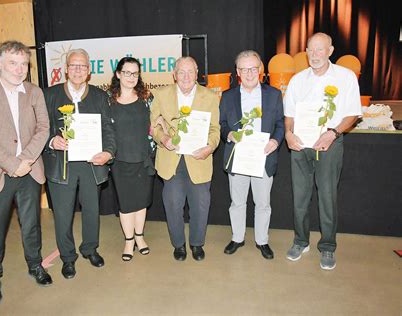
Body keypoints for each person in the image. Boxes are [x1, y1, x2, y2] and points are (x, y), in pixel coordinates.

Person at [0, 40, 52, 306]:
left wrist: (25, 160)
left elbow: (43, 128)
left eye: (24, 64)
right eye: (13, 63)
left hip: (30, 171)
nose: (19, 69)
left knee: (32, 225)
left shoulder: (34, 92)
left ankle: (35, 265)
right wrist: (11, 163)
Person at [284, 32, 361, 270]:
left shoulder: (346, 77)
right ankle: (300, 241)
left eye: (320, 49)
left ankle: (327, 247)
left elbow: (352, 113)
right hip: (300, 145)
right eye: (310, 49)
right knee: (300, 198)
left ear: (330, 51)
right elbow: (290, 115)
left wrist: (334, 133)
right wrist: (288, 133)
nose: (314, 54)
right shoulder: (298, 79)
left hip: (330, 144)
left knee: (327, 198)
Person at [42, 49, 116, 279]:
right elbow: (39, 128)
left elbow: (108, 129)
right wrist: (52, 140)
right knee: (63, 214)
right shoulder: (49, 95)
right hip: (61, 164)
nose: (77, 70)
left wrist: (109, 152)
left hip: (91, 163)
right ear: (65, 69)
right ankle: (67, 257)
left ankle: (90, 249)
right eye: (73, 66)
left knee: (92, 210)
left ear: (89, 71)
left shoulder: (99, 96)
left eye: (82, 66)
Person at [151, 56, 220, 261]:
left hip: (199, 158)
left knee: (201, 203)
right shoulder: (161, 95)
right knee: (172, 203)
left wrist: (210, 147)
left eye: (191, 72)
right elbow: (154, 125)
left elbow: (215, 129)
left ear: (197, 74)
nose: (186, 76)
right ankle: (179, 244)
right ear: (174, 74)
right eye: (181, 72)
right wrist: (163, 138)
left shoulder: (210, 97)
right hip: (171, 159)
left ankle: (197, 244)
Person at [219, 50, 284, 259]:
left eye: (253, 68)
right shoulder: (227, 96)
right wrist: (228, 133)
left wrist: (275, 140)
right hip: (238, 158)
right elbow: (221, 124)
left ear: (260, 70)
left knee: (263, 203)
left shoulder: (273, 94)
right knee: (237, 202)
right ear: (237, 72)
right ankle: (237, 237)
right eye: (244, 69)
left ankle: (262, 240)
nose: (249, 73)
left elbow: (281, 124)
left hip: (264, 157)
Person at [107, 57, 155, 261]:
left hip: (143, 159)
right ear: (118, 74)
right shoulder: (107, 100)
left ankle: (140, 237)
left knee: (141, 201)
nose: (131, 77)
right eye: (127, 72)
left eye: (135, 73)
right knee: (126, 203)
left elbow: (155, 124)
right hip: (120, 160)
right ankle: (128, 241)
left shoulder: (147, 97)